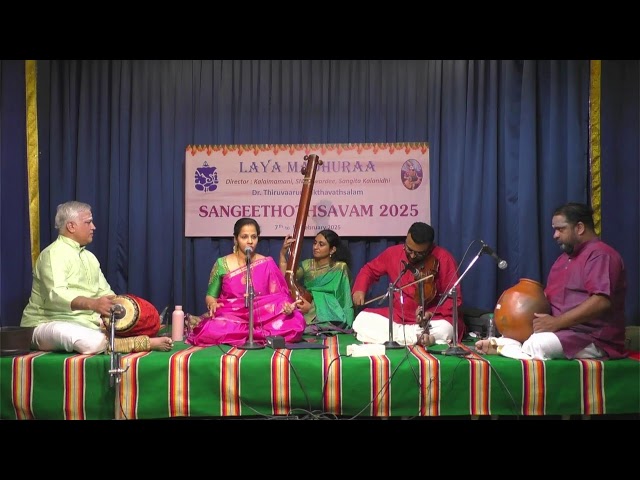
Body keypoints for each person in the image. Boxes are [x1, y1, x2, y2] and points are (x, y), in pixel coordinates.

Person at [475, 202, 627, 360]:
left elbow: (601, 301)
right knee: (523, 337)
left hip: (592, 338)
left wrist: (556, 323)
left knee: (539, 344)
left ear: (580, 228)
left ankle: (505, 348)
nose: (555, 235)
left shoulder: (601, 255)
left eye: (560, 229)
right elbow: (547, 301)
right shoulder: (562, 260)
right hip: (561, 331)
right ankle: (507, 345)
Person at [20, 201, 173, 354]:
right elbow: (57, 295)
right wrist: (93, 304)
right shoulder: (53, 254)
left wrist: (129, 312)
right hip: (47, 324)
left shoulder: (90, 257)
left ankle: (118, 338)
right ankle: (138, 343)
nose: (93, 227)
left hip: (87, 323)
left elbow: (105, 293)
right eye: (88, 222)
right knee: (90, 341)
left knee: (130, 325)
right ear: (71, 226)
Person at [186, 218, 306, 347]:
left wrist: (285, 306)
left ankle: (250, 334)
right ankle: (258, 334)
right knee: (211, 328)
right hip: (232, 317)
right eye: (244, 237)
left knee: (296, 322)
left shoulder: (266, 262)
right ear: (235, 239)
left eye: (254, 237)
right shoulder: (222, 263)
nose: (250, 241)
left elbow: (279, 295)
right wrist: (212, 303)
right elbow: (210, 295)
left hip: (263, 317)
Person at [351, 221, 464, 346]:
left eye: (419, 253)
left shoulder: (444, 258)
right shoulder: (393, 253)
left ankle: (396, 337)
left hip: (430, 320)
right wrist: (359, 289)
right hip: (398, 316)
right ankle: (417, 338)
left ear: (430, 247)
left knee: (446, 329)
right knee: (361, 320)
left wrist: (430, 314)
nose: (412, 256)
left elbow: (453, 298)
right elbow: (369, 270)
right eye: (409, 249)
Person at [278, 229, 354, 333]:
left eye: (321, 244)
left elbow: (343, 300)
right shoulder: (307, 265)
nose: (315, 247)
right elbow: (287, 279)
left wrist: (313, 308)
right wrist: (283, 255)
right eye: (315, 243)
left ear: (332, 250)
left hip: (330, 317)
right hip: (306, 311)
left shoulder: (340, 268)